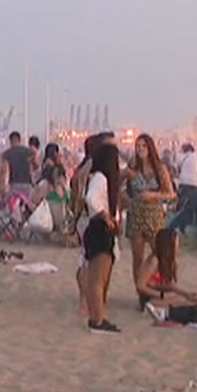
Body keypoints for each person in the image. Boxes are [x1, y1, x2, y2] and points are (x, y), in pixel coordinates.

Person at [126, 134, 177, 300]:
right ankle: (141, 293)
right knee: (137, 257)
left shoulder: (159, 169)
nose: (140, 150)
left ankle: (160, 285)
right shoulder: (132, 168)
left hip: (154, 215)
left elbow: (171, 194)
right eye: (137, 146)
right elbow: (120, 186)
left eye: (143, 146)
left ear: (150, 148)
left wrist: (153, 196)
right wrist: (126, 200)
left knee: (160, 253)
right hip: (136, 215)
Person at [79, 142, 124, 333]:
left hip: (103, 229)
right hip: (100, 228)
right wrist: (106, 216)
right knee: (97, 279)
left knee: (99, 278)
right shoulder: (101, 177)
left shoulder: (104, 179)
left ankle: (97, 317)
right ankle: (97, 319)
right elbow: (91, 199)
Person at [1, 131, 36, 200]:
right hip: (27, 183)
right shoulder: (27, 151)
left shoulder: (7, 153)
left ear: (10, 141)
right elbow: (35, 165)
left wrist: (2, 187)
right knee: (27, 205)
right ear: (19, 140)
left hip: (14, 183)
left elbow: (4, 171)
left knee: (15, 206)